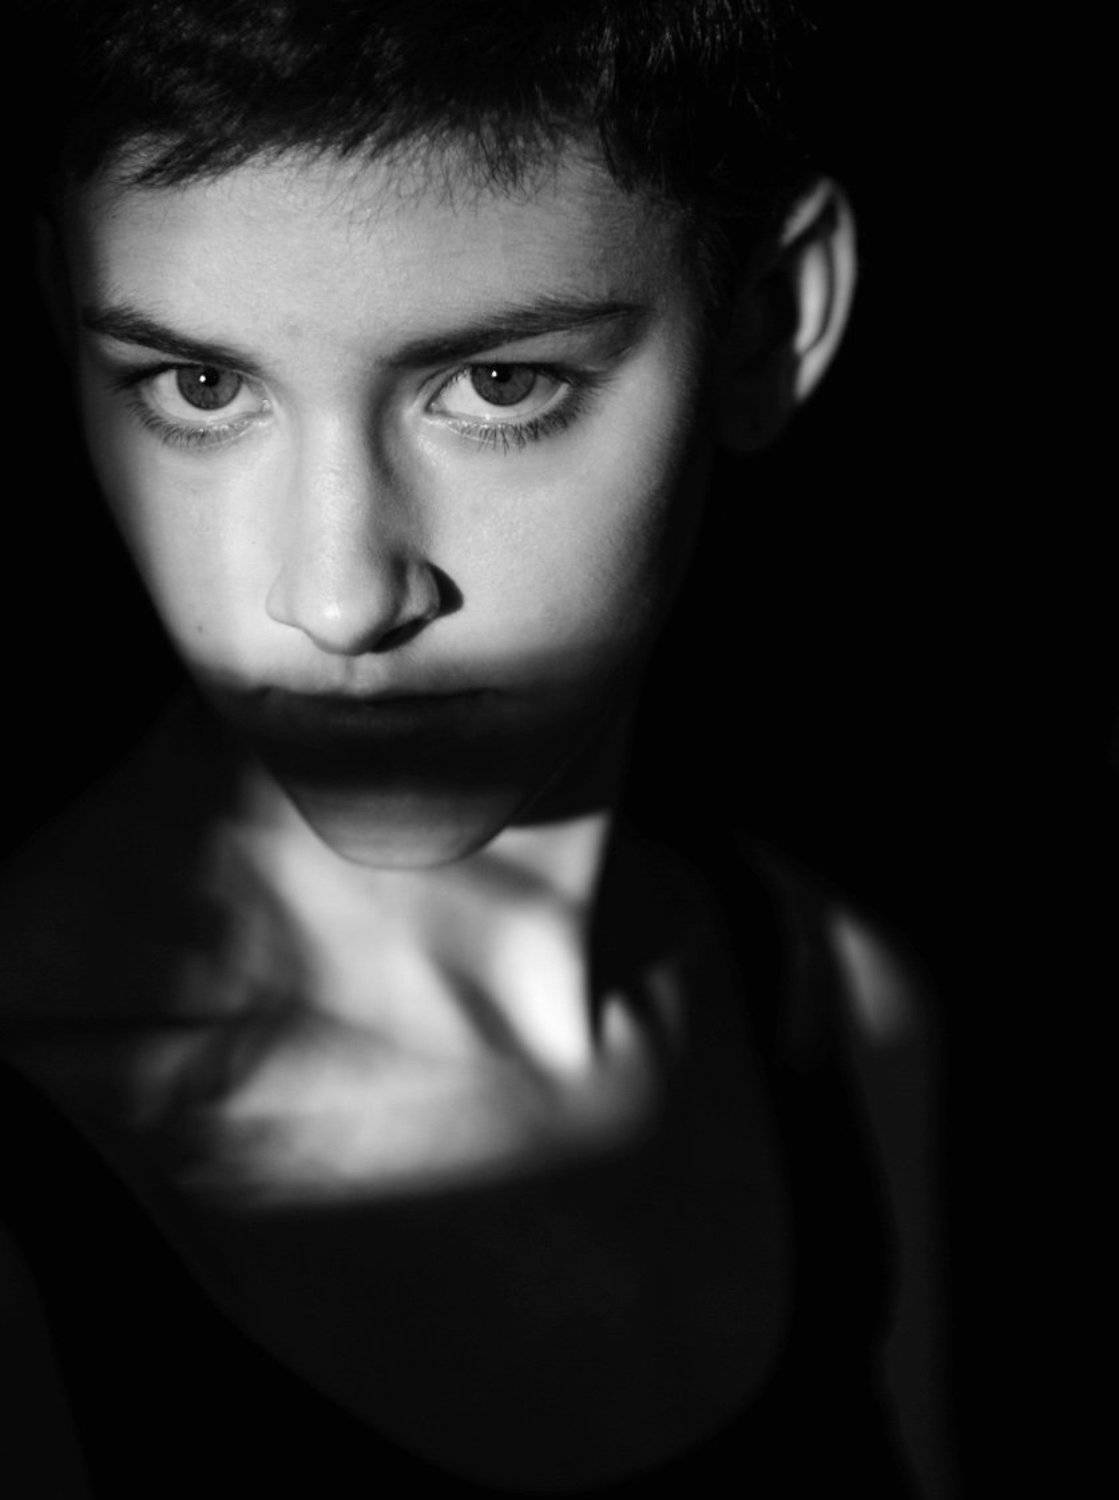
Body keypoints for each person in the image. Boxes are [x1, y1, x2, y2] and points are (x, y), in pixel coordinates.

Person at [0, 1, 952, 1495]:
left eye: (498, 385)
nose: (338, 597)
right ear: (69, 319)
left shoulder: (832, 1005)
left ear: (770, 318)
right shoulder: (33, 1177)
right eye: (200, 388)